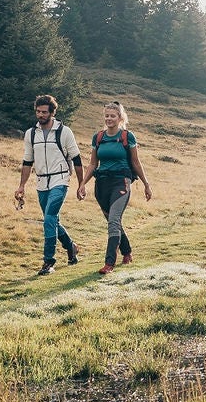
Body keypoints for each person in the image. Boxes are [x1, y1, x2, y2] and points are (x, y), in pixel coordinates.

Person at [13, 94, 84, 275]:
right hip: (41, 181)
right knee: (52, 220)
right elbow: (27, 161)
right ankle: (71, 247)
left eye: (44, 112)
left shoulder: (64, 131)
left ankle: (48, 261)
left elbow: (76, 158)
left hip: (60, 179)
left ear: (52, 112)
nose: (40, 115)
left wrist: (81, 183)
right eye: (38, 111)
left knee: (49, 217)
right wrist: (21, 186)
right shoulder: (31, 134)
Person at [88, 100, 151, 275]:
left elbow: (136, 163)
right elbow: (93, 163)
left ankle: (109, 263)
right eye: (106, 116)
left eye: (112, 116)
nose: (109, 118)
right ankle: (127, 252)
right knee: (112, 221)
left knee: (114, 221)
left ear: (120, 117)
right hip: (101, 184)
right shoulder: (98, 137)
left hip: (121, 182)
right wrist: (81, 184)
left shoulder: (127, 136)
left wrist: (146, 184)